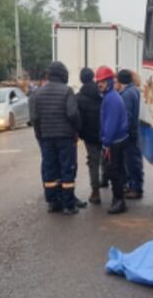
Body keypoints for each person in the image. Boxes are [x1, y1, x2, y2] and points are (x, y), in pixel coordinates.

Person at [29, 61, 82, 215]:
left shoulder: (38, 93)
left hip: (46, 138)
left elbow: (34, 118)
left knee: (50, 170)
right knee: (67, 170)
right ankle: (68, 205)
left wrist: (40, 134)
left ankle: (53, 203)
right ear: (63, 74)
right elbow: (72, 113)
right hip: (65, 138)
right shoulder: (67, 91)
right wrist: (76, 129)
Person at [96, 65, 128, 215]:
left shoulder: (111, 99)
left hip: (115, 142)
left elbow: (111, 123)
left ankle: (119, 201)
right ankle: (118, 199)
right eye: (98, 82)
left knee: (114, 172)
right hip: (117, 141)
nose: (99, 84)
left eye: (102, 81)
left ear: (109, 81)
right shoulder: (110, 97)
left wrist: (106, 143)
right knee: (117, 171)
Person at [76, 67, 103, 205]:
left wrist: (80, 133)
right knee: (106, 157)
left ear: (81, 79)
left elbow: (77, 118)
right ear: (93, 77)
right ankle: (105, 179)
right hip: (104, 132)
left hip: (89, 135)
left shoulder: (78, 97)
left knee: (93, 161)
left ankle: (95, 192)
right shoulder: (101, 93)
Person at [116, 69, 143, 199]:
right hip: (134, 132)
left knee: (132, 162)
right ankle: (135, 186)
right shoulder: (134, 91)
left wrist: (123, 133)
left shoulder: (127, 94)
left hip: (129, 134)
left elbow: (127, 116)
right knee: (134, 160)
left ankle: (136, 188)